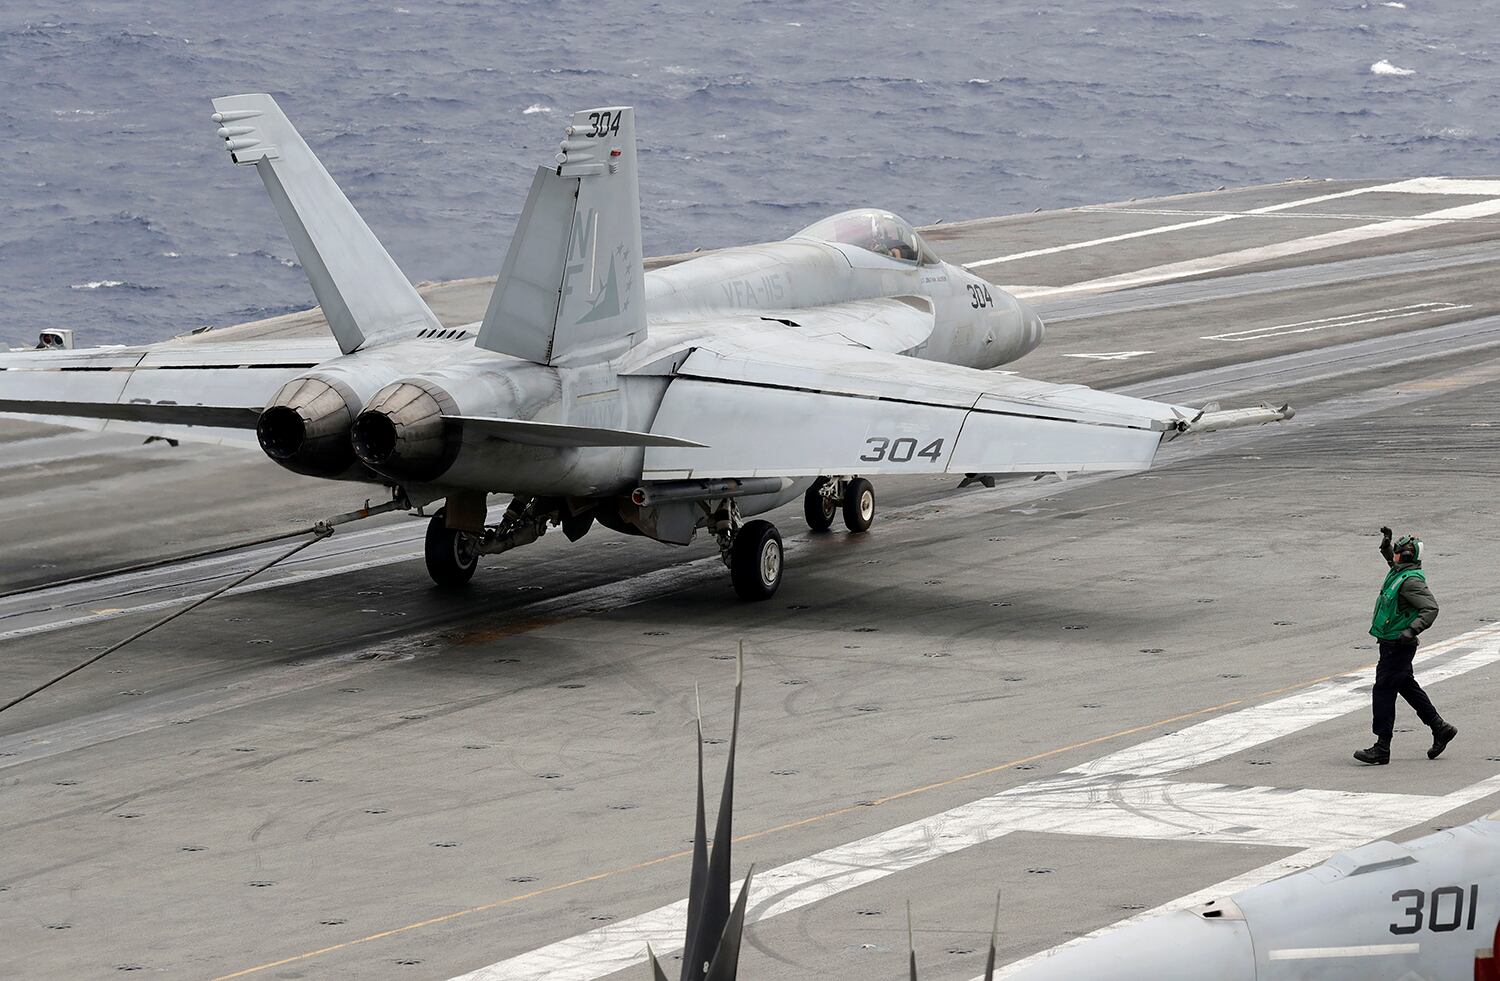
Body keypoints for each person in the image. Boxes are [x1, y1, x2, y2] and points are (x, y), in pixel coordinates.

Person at [1354, 527, 1458, 765]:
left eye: (1399, 552)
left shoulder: (1410, 581)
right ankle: (1440, 728)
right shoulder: (1400, 571)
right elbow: (1392, 560)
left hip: (1398, 645)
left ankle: (1382, 747)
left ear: (1407, 557)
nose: (1395, 555)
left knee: (1383, 690)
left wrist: (1411, 630)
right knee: (1406, 686)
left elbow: (1431, 608)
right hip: (1392, 642)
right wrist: (1386, 545)